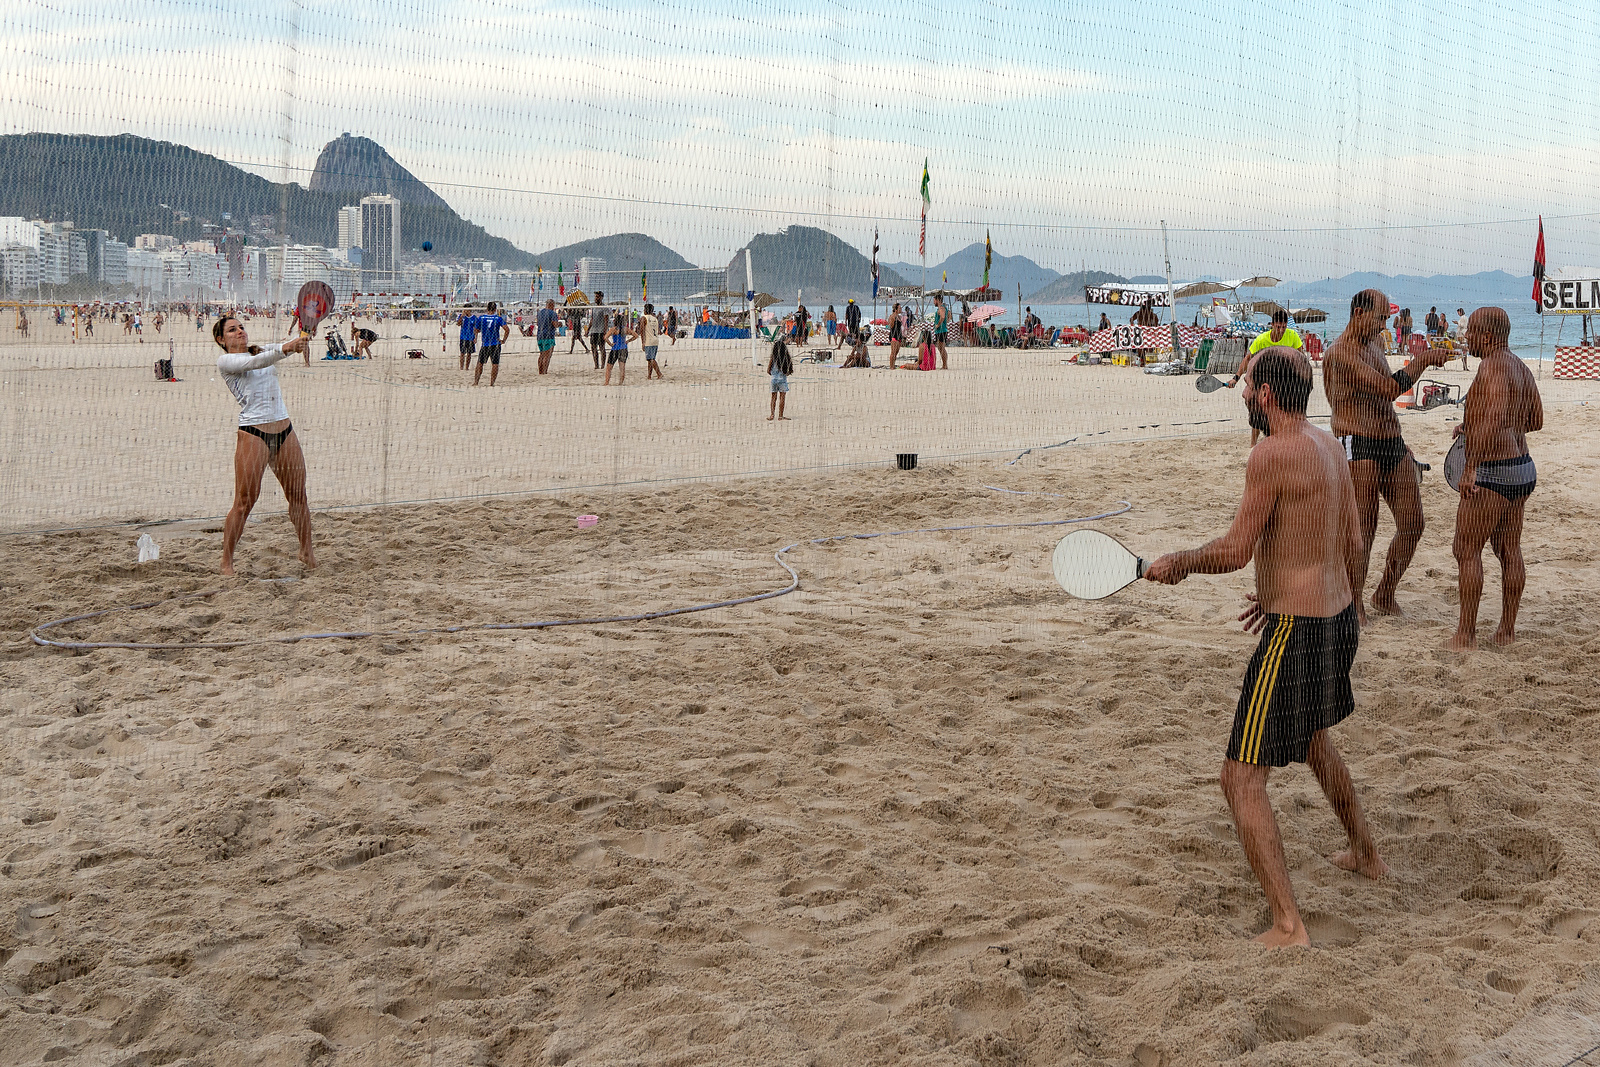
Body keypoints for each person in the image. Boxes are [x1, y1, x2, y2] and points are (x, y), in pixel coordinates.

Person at [1146, 346, 1386, 948]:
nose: (1243, 394)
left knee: (1239, 777)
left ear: (1269, 396)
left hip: (1297, 632)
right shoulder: (1330, 445)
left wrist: (1182, 562)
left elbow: (1233, 550)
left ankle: (1288, 924)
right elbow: (1352, 539)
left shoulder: (1270, 454)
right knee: (1312, 741)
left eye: (1248, 385)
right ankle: (1365, 854)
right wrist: (1288, 589)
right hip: (1338, 622)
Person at [1324, 289, 1451, 619]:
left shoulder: (1375, 344)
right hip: (1358, 442)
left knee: (1413, 523)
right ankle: (1354, 603)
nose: (1384, 325)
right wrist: (1422, 360)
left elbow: (1383, 396)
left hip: (1391, 441)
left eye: (1387, 319)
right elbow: (1390, 389)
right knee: (1363, 529)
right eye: (1380, 318)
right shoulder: (1341, 352)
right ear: (1358, 314)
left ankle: (1385, 592)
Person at [1448, 308, 1543, 650]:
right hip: (1522, 467)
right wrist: (1475, 427)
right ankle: (1506, 631)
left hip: (1493, 472)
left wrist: (1471, 465)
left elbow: (1498, 414)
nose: (1466, 336)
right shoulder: (1520, 365)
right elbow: (1536, 419)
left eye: (1470, 331)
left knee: (1466, 549)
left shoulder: (1492, 365)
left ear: (1486, 336)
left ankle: (1465, 635)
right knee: (1509, 549)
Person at [213, 315, 315, 577]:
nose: (240, 332)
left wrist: (302, 338)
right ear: (221, 340)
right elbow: (257, 361)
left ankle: (307, 552)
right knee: (245, 502)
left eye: (241, 327)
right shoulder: (227, 361)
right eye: (232, 330)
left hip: (284, 429)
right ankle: (226, 563)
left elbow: (276, 350)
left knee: (298, 496)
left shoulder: (261, 349)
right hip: (253, 432)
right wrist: (288, 347)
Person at [1230, 309, 1306, 443]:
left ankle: (1288, 440)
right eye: (1278, 326)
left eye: (1284, 327)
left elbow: (1301, 357)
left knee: (1290, 412)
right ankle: (1253, 444)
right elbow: (1248, 358)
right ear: (1272, 324)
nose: (1281, 330)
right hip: (1265, 380)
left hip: (1285, 381)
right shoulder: (1262, 339)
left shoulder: (1292, 336)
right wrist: (1236, 378)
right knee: (1258, 411)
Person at [473, 301, 508, 386]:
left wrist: (476, 337)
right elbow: (507, 329)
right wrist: (503, 340)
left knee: (480, 363)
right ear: (495, 309)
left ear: (487, 308)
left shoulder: (481, 318)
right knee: (495, 364)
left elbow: (476, 330)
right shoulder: (498, 318)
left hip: (485, 344)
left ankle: (476, 382)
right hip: (495, 344)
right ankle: (492, 383)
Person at [766, 337, 793, 420]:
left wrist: (773, 374)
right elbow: (789, 371)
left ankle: (772, 415)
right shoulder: (786, 358)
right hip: (782, 380)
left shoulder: (773, 358)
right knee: (782, 397)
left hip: (773, 380)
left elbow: (768, 370)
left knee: (773, 397)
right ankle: (780, 415)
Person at [636, 302, 663, 379]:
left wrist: (643, 342)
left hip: (649, 341)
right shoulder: (655, 318)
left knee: (651, 359)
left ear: (645, 310)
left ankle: (659, 373)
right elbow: (658, 331)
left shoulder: (643, 318)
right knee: (650, 359)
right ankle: (649, 376)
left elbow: (642, 331)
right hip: (655, 340)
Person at [603, 307, 629, 386]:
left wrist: (611, 344)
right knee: (622, 368)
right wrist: (628, 341)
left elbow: (605, 338)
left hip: (615, 349)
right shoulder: (625, 329)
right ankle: (620, 383)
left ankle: (606, 382)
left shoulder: (613, 329)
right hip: (623, 349)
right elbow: (635, 335)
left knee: (609, 367)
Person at [536, 298, 559, 374]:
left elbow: (537, 324)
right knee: (547, 356)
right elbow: (555, 325)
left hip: (539, 335)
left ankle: (540, 371)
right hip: (548, 336)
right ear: (551, 305)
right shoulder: (552, 313)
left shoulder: (540, 313)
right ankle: (544, 372)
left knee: (541, 355)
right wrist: (560, 324)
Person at [588, 294, 607, 369]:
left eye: (597, 297)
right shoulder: (594, 307)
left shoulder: (604, 307)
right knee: (593, 348)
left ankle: (602, 365)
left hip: (601, 330)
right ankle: (596, 365)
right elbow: (592, 319)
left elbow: (606, 319)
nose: (596, 298)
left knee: (602, 348)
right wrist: (588, 330)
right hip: (594, 330)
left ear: (601, 297)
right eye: (595, 296)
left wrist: (605, 331)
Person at [932, 295, 952, 369]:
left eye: (934, 300)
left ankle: (945, 365)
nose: (934, 302)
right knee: (940, 348)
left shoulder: (941, 308)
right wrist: (947, 320)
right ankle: (944, 364)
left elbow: (943, 317)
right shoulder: (944, 308)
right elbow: (949, 315)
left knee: (941, 348)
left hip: (941, 330)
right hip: (941, 330)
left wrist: (938, 324)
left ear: (937, 300)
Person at [887, 302, 905, 369]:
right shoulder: (892, 316)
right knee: (893, 352)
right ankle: (891, 366)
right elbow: (891, 326)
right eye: (900, 308)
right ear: (896, 309)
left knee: (896, 352)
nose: (901, 309)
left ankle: (893, 365)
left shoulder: (898, 316)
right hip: (894, 335)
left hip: (899, 335)